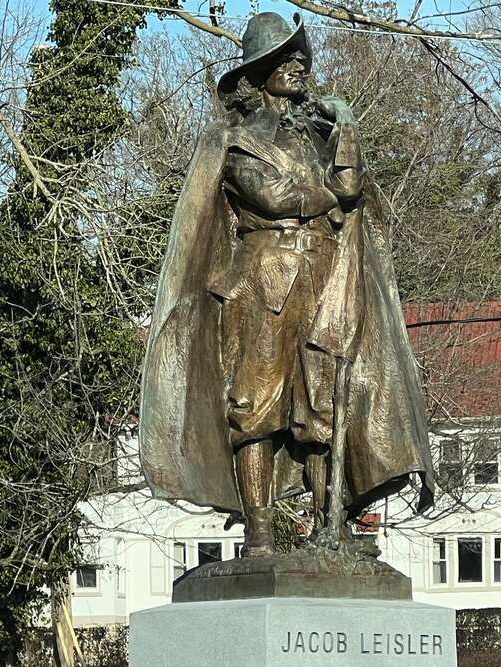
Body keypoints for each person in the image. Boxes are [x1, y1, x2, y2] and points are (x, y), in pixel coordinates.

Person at [140, 13, 434, 558]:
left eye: (302, 56)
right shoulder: (232, 139)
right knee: (256, 405)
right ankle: (258, 533)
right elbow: (275, 198)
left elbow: (351, 188)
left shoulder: (321, 138)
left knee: (323, 405)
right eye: (285, 58)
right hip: (262, 282)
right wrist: (328, 198)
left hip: (325, 276)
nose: (299, 64)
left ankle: (332, 526)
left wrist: (345, 126)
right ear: (257, 74)